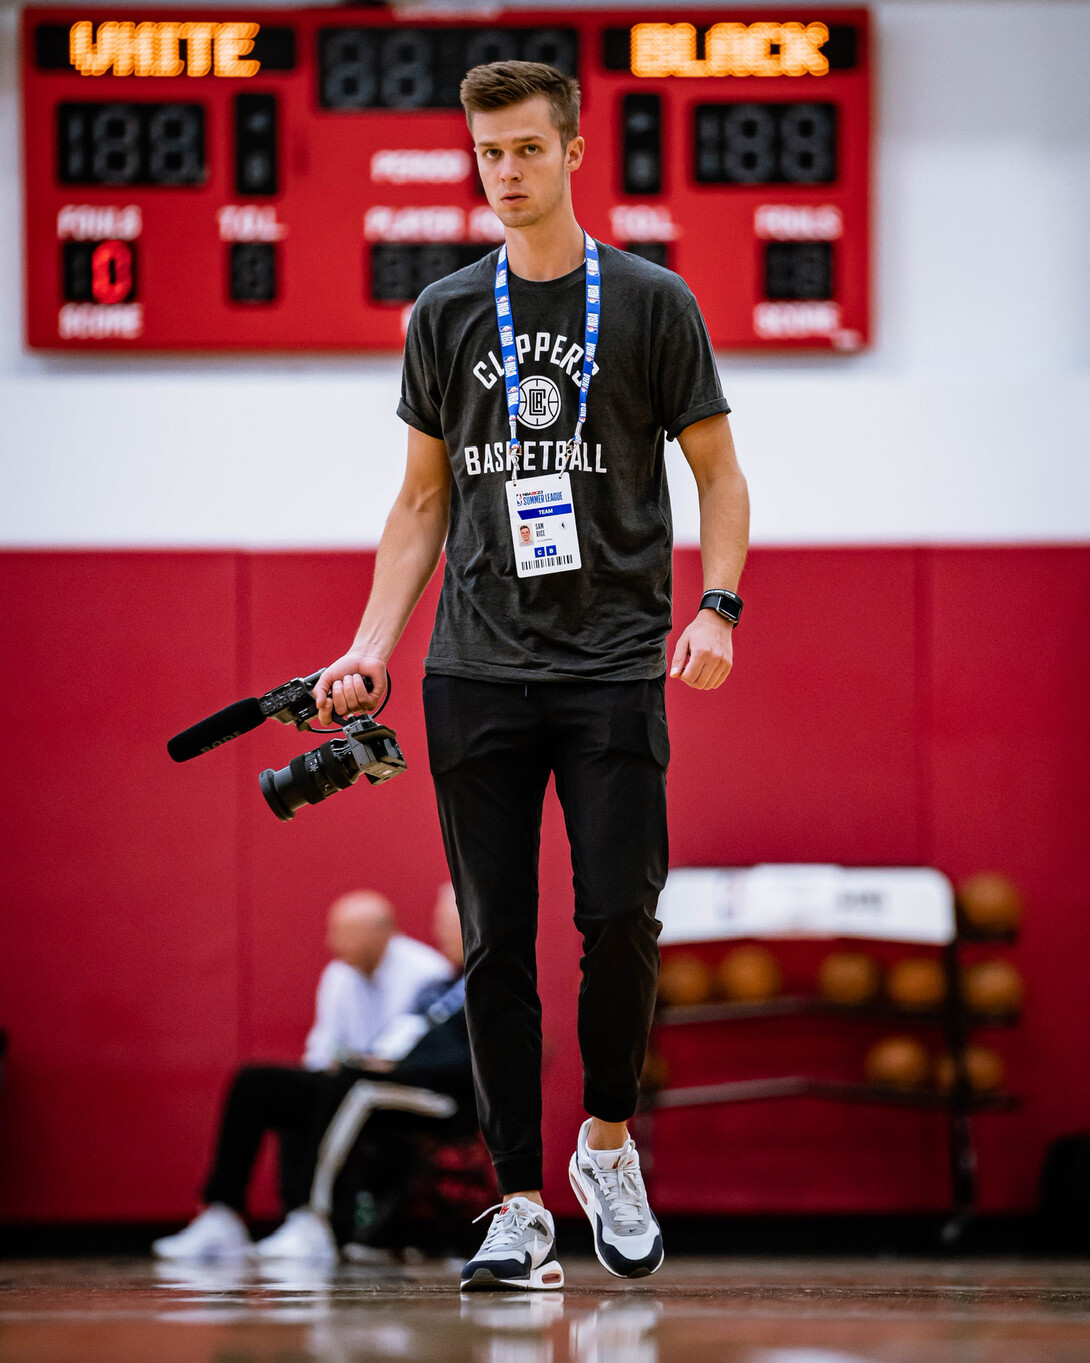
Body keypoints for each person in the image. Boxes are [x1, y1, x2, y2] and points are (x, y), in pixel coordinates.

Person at [312, 60, 749, 1292]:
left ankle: (605, 1145)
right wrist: (369, 647)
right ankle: (516, 1204)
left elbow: (720, 474)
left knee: (619, 920)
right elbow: (417, 502)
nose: (505, 173)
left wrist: (714, 605)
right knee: (493, 941)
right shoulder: (447, 312)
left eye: (525, 150)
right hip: (475, 669)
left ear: (571, 151)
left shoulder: (654, 302)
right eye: (487, 154)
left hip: (613, 663)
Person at [153, 890, 451, 1261]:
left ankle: (314, 1220)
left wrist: (358, 1067)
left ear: (381, 933)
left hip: (397, 1089)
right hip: (349, 1081)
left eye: (342, 932)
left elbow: (411, 1053)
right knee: (258, 1083)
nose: (331, 942)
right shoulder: (338, 975)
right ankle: (224, 1213)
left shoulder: (427, 973)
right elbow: (323, 1048)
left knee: (336, 1089)